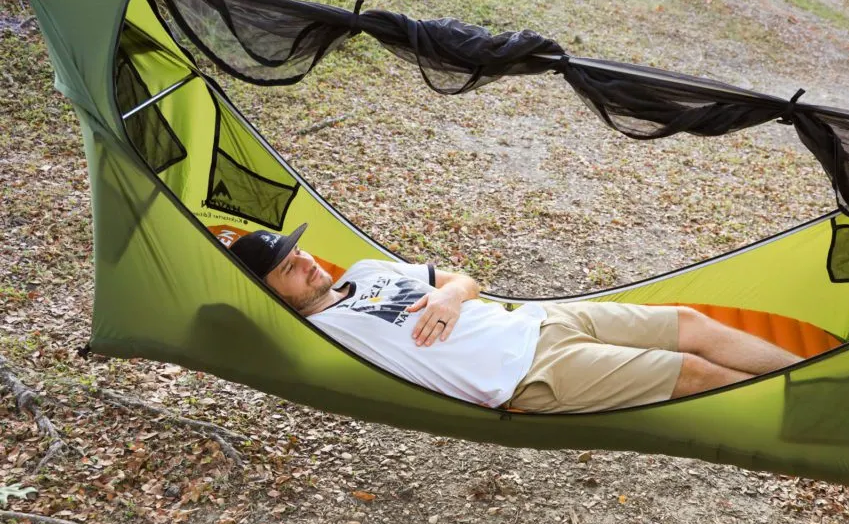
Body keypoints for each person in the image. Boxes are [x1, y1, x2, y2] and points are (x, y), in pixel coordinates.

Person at [229, 224, 802, 413]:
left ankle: (823, 372)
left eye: (296, 251)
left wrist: (451, 298)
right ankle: (799, 409)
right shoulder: (315, 335)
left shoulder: (366, 268)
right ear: (269, 294)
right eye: (285, 268)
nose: (302, 261)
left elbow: (462, 281)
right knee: (690, 371)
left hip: (535, 320)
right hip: (526, 374)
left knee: (688, 321)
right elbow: (221, 317)